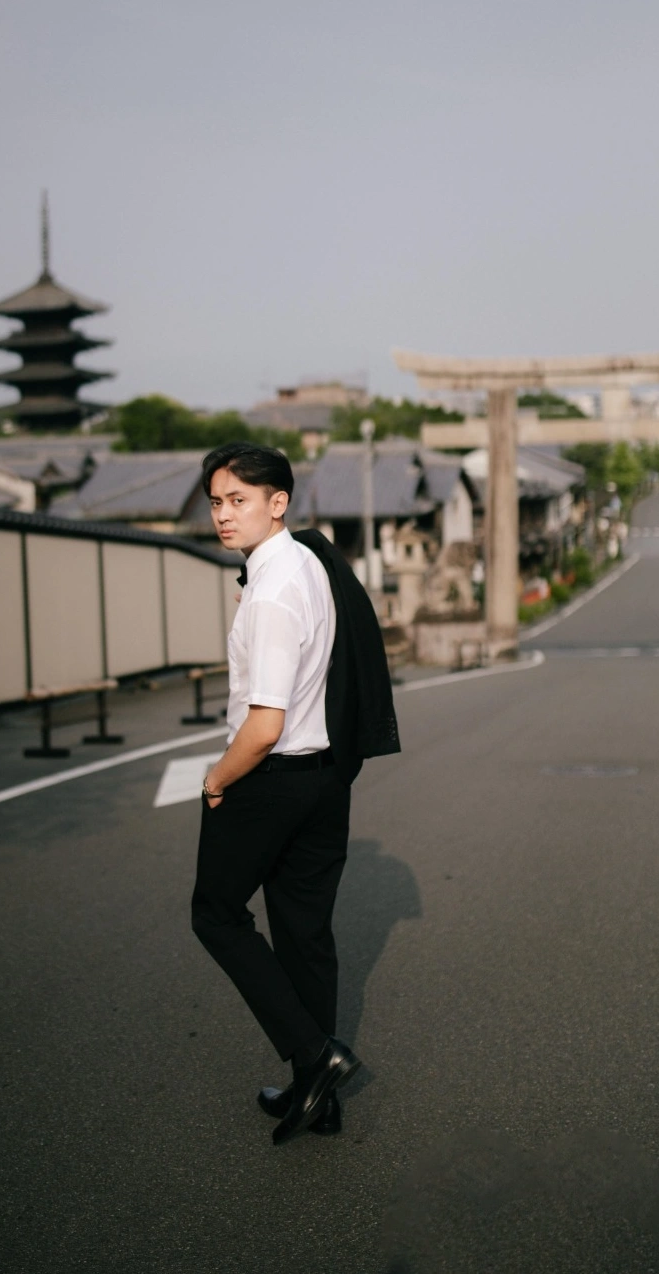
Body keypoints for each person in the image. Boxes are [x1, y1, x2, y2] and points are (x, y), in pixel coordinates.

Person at [191, 442, 400, 1145]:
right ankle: (320, 1099)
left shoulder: (273, 592)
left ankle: (315, 1055)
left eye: (238, 500)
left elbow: (264, 725)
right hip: (324, 779)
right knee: (304, 934)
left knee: (216, 915)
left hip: (270, 780)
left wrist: (216, 779)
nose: (223, 514)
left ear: (277, 503)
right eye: (216, 501)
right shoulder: (309, 560)